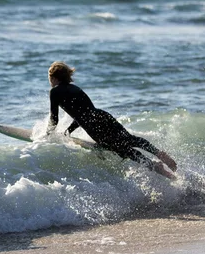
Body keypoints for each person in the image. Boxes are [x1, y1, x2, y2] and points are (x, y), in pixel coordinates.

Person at [47, 61, 177, 179]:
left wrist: (48, 134)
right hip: (101, 115)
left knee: (123, 150)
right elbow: (85, 111)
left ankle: (155, 167)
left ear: (53, 77)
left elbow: (54, 117)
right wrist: (70, 129)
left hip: (92, 125)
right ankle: (159, 153)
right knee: (129, 139)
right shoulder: (75, 88)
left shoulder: (54, 91)